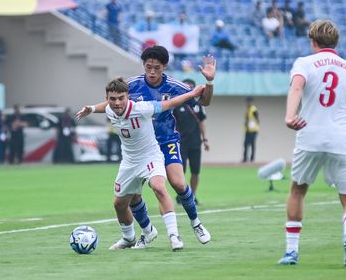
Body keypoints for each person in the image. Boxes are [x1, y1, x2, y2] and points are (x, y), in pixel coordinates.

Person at [83, 46, 215, 248]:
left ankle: (195, 223)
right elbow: (113, 102)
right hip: (140, 146)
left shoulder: (172, 85)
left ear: (164, 67)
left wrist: (209, 81)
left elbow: (204, 101)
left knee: (178, 184)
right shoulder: (133, 85)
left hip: (165, 141)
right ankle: (146, 232)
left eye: (157, 68)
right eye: (148, 67)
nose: (152, 72)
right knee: (134, 194)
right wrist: (92, 108)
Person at [278, 19, 346, 268]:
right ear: (336, 42)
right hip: (342, 138)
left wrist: (290, 116)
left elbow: (296, 88)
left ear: (313, 41)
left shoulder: (305, 63)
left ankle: (291, 252)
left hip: (309, 135)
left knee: (298, 191)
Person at [173, 79, 210, 205]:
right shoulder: (176, 105)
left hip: (195, 143)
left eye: (191, 88)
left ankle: (193, 196)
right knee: (180, 172)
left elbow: (202, 122)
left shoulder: (198, 105)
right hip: (180, 143)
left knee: (195, 171)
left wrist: (205, 139)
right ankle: (183, 195)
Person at [242, 97, 260, 163]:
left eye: (249, 101)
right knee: (245, 144)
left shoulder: (253, 109)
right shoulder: (248, 109)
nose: (247, 103)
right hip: (248, 130)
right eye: (247, 102)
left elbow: (257, 119)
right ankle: (245, 158)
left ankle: (252, 159)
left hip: (253, 130)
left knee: (252, 144)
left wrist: (254, 125)